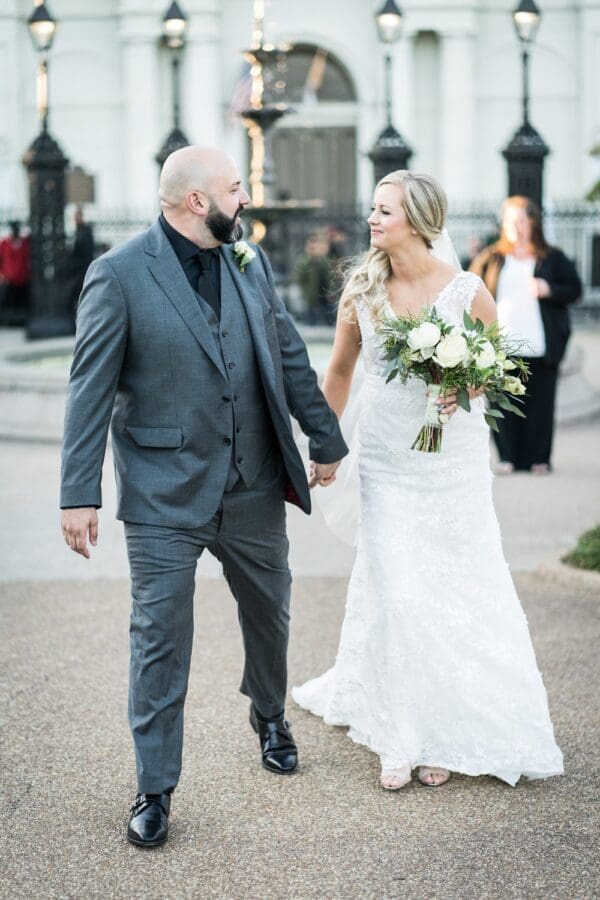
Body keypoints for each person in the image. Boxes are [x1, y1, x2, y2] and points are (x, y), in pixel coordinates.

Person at [60, 146, 347, 848]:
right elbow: (89, 388)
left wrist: (326, 437)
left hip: (252, 482)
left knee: (271, 612)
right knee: (159, 637)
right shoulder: (119, 275)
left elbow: (285, 354)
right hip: (163, 490)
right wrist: (78, 493)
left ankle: (269, 713)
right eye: (235, 188)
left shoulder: (249, 262)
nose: (245, 198)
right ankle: (154, 787)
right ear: (197, 202)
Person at [293, 170, 563, 791]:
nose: (372, 219)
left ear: (415, 219)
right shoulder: (362, 290)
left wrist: (459, 385)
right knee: (401, 590)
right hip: (387, 457)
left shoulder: (467, 291)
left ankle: (445, 728)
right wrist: (324, 444)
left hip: (452, 462)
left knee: (456, 588)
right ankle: (402, 734)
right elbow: (337, 372)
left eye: (384, 210)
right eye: (373, 209)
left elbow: (496, 369)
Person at [470, 196, 581, 474]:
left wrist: (549, 289)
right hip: (501, 345)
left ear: (532, 222)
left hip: (541, 345)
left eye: (521, 220)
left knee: (540, 406)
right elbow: (469, 289)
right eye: (510, 221)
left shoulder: (551, 257)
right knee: (503, 404)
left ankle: (538, 458)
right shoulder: (492, 256)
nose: (515, 227)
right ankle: (508, 457)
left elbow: (575, 289)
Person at [293, 232, 334, 324]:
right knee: (311, 314)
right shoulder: (304, 261)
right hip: (310, 293)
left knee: (328, 313)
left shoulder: (324, 261)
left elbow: (329, 277)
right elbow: (299, 278)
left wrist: (330, 291)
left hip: (323, 291)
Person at [66, 206, 95, 317]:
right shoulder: (77, 232)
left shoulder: (85, 233)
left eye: (77, 216)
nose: (75, 218)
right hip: (76, 272)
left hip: (81, 272)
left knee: (78, 297)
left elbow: (87, 254)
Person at [0, 221, 30, 326]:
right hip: (9, 278)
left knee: (22, 301)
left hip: (23, 277)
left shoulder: (25, 243)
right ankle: (8, 321)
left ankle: (22, 321)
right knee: (8, 301)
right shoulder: (5, 243)